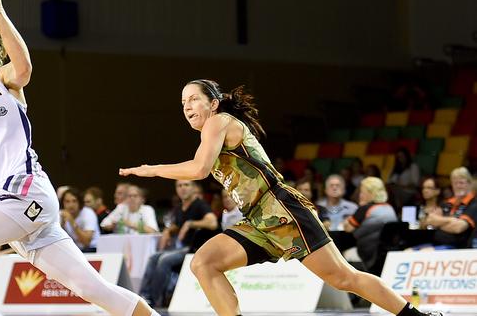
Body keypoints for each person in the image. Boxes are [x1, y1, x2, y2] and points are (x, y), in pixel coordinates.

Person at [0, 0, 155, 316]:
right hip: (10, 208)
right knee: (92, 288)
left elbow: (25, 67)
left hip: (23, 189)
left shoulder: (2, 80)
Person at [119, 79, 440, 316]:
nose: (187, 106)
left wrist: (154, 170)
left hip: (282, 210)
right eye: (182, 102)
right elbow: (199, 164)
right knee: (204, 263)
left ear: (213, 104)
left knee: (344, 278)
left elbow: (200, 169)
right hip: (257, 220)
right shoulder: (209, 135)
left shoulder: (219, 122)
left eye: (193, 99)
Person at [140, 180, 217, 307]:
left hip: (196, 248)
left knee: (164, 259)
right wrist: (168, 230)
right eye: (179, 185)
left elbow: (212, 223)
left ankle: (155, 300)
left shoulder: (200, 205)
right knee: (153, 257)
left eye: (186, 185)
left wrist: (190, 223)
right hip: (182, 248)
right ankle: (144, 296)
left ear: (193, 188)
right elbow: (177, 225)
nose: (183, 188)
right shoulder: (179, 208)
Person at [343, 177, 397, 272]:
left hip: (367, 254)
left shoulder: (365, 209)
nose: (360, 195)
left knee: (343, 254)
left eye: (362, 192)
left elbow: (348, 228)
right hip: (386, 255)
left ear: (371, 193)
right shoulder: (390, 208)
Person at [60, 187, 100, 252]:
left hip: (92, 249)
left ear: (80, 202)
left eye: (74, 201)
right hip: (75, 250)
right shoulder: (61, 214)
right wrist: (62, 224)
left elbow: (86, 242)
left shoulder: (88, 213)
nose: (71, 205)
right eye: (67, 201)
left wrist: (71, 221)